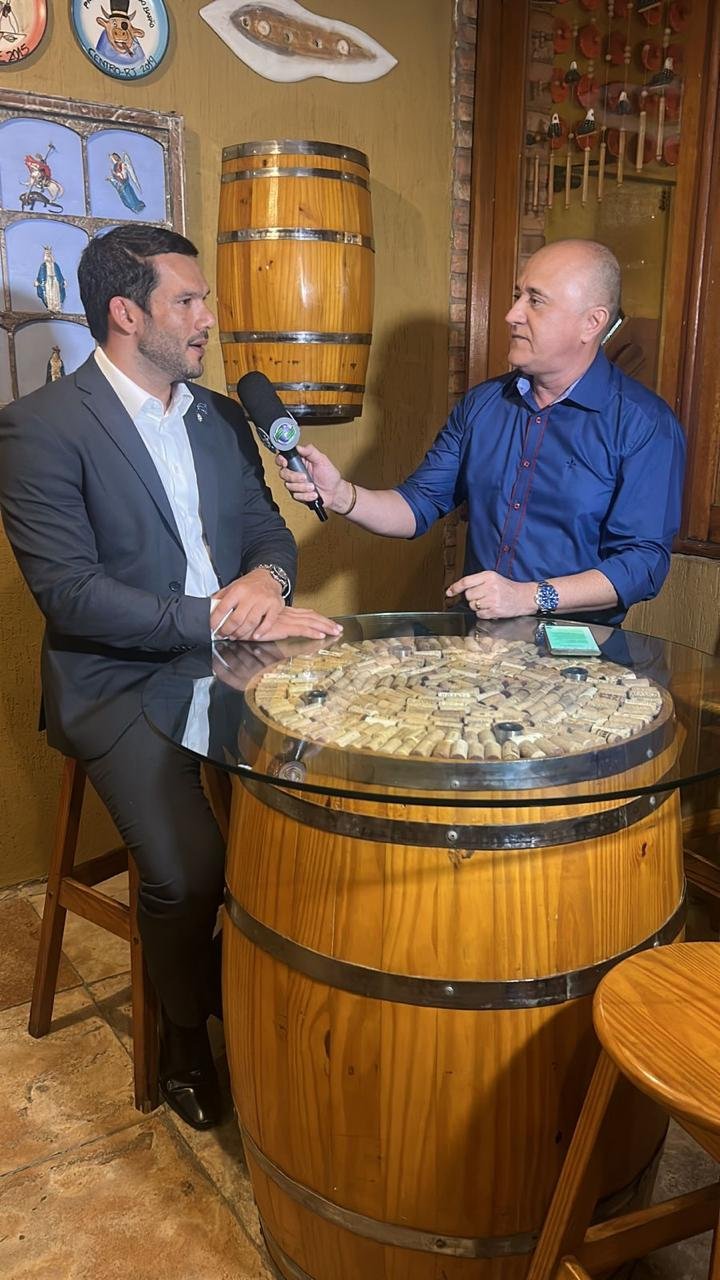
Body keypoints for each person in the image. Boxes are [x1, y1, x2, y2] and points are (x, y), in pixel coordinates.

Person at [0, 224, 341, 1131]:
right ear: (126, 313)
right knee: (189, 872)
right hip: (115, 679)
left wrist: (267, 584)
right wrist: (217, 615)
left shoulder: (222, 416)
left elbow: (267, 532)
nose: (207, 319)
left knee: (323, 808)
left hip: (234, 662)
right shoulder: (38, 428)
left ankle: (258, 975)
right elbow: (71, 595)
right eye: (187, 301)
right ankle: (185, 1032)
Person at [276, 239, 686, 627]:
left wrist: (529, 597)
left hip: (578, 653)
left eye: (535, 301)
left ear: (591, 323)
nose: (512, 314)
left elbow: (643, 565)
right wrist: (341, 494)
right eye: (518, 295)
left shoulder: (645, 424)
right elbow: (418, 505)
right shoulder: (483, 405)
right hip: (481, 644)